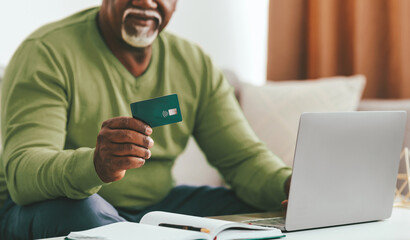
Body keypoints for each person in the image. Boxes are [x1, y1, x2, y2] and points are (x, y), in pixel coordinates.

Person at [0, 0, 292, 239]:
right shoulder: (47, 51)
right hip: (51, 206)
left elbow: (242, 158)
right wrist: (95, 165)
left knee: (254, 213)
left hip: (156, 207)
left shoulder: (194, 63)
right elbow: (22, 174)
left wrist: (289, 185)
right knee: (82, 214)